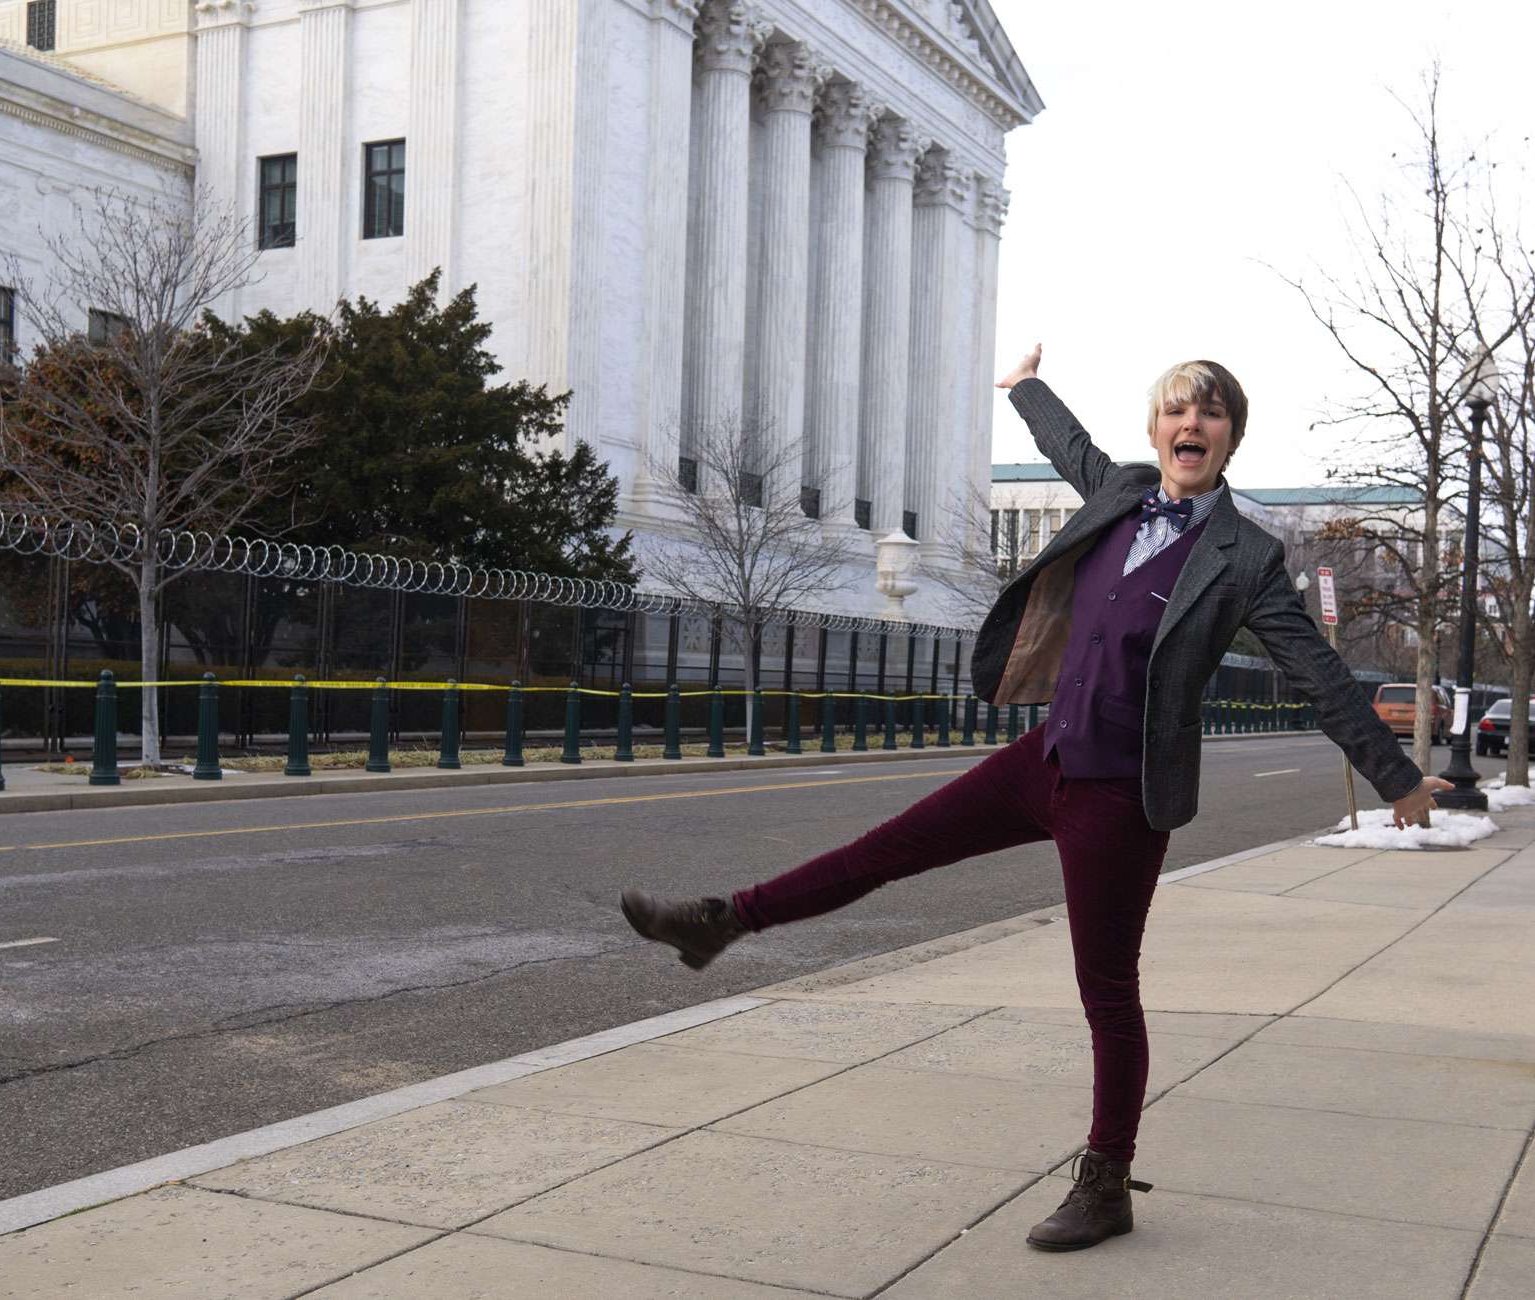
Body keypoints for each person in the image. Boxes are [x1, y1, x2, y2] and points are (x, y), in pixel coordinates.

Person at [620, 345, 1450, 1251]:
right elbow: (1071, 448)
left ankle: (1105, 1183)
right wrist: (1024, 389)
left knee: (1106, 991)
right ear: (1155, 428)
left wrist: (1396, 777)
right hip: (1041, 758)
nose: (1190, 425)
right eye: (1177, 410)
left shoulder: (1244, 556)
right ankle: (720, 922)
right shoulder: (1121, 493)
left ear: (1229, 438)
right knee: (878, 852)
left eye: (1210, 414)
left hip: (1120, 797)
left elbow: (1317, 672)